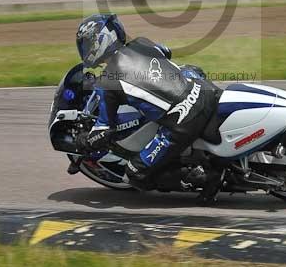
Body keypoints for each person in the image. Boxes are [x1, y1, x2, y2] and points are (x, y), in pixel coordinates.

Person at [72, 13, 217, 190]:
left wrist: (84, 142)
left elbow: (105, 131)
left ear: (100, 42)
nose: (86, 49)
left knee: (135, 173)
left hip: (184, 120)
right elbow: (166, 52)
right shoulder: (141, 42)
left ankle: (207, 179)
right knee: (187, 70)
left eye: (87, 44)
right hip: (203, 90)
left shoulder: (106, 82)